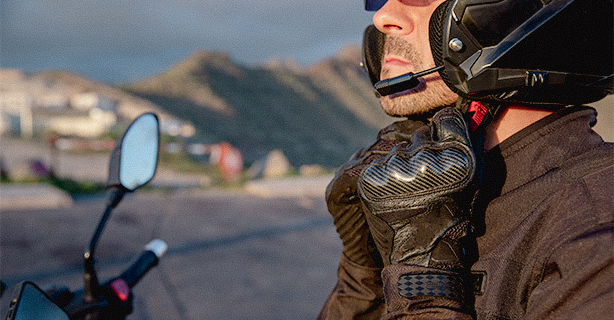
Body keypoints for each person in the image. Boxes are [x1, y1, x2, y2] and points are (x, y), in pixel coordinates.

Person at [319, 0, 613, 319]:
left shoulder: (596, 227)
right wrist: (365, 271)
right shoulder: (435, 182)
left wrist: (423, 284)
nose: (382, 17)